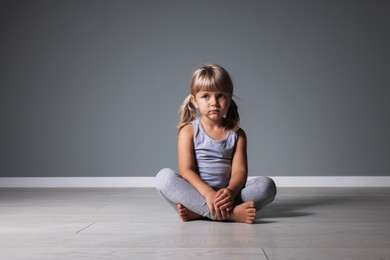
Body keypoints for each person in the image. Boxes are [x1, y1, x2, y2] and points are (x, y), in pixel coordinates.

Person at [156, 64, 276, 224]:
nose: (214, 102)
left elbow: (240, 171)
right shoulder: (189, 131)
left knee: (267, 185)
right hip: (198, 193)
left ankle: (199, 212)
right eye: (206, 96)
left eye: (220, 96)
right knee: (164, 178)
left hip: (227, 195)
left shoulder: (237, 134)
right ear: (195, 101)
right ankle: (230, 214)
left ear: (229, 98)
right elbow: (186, 171)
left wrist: (231, 192)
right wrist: (207, 193)